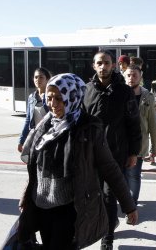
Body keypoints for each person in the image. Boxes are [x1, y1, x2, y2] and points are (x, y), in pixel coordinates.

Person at [17, 73, 138, 249]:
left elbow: (110, 168)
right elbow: (36, 166)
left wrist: (129, 205)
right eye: (49, 98)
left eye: (59, 98)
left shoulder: (88, 129)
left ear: (73, 96)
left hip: (68, 208)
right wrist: (25, 197)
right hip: (41, 204)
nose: (53, 104)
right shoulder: (45, 125)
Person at [82, 50, 141, 250]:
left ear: (113, 65)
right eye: (99, 63)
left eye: (107, 63)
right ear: (93, 66)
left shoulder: (124, 92)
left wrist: (134, 152)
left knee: (109, 196)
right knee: (93, 195)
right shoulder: (87, 90)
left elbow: (134, 123)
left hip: (115, 155)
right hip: (90, 155)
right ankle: (106, 224)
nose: (103, 66)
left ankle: (107, 238)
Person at [123, 66, 156, 204]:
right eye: (128, 75)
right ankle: (126, 200)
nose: (131, 78)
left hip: (139, 143)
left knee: (133, 175)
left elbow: (153, 124)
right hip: (121, 143)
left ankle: (131, 204)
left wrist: (155, 147)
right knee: (122, 175)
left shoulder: (147, 96)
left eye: (134, 75)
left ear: (140, 77)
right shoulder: (118, 93)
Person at [17, 67, 51, 153]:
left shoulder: (51, 97)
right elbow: (28, 120)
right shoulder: (31, 97)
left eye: (41, 77)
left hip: (49, 136)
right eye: (36, 77)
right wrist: (21, 140)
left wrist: (45, 99)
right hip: (35, 137)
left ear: (47, 79)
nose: (38, 79)